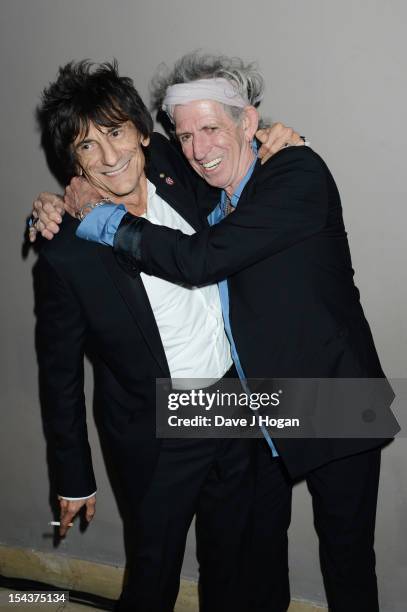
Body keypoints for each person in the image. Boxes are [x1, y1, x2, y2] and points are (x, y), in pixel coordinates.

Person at [35, 53, 398, 612]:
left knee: (346, 558)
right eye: (186, 135)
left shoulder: (294, 171)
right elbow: (58, 373)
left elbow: (200, 260)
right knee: (244, 556)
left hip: (331, 393)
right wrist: (60, 201)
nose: (201, 148)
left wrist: (104, 219)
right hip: (229, 405)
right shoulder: (197, 185)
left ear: (248, 123)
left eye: (212, 128)